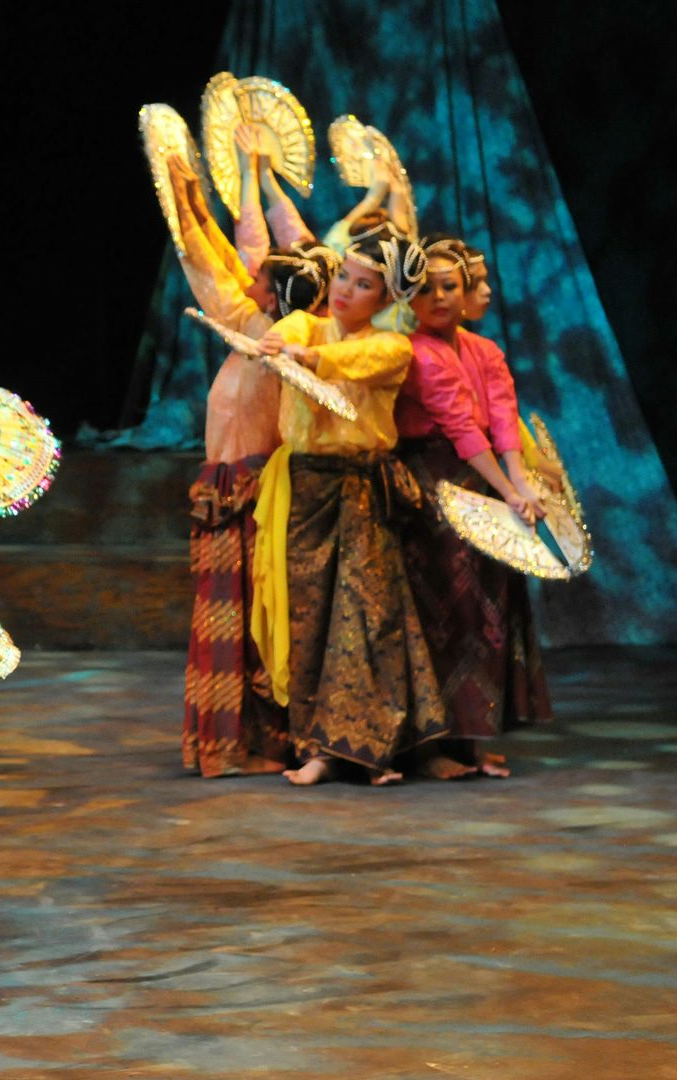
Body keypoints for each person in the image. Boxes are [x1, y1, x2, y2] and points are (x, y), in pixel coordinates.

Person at [249, 221, 447, 786]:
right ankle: (316, 747)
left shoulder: (389, 347)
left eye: (364, 286)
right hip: (305, 490)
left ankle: (366, 747)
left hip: (360, 490)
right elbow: (288, 338)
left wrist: (301, 357)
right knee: (308, 620)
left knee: (364, 616)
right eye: (344, 277)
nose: (345, 291)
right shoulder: (303, 324)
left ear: (386, 300)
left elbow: (344, 365)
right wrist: (276, 347)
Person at [166, 150, 334, 777]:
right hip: (238, 482)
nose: (248, 279)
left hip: (254, 489)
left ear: (277, 294)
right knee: (239, 608)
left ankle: (251, 740)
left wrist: (188, 206)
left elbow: (212, 267)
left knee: (252, 611)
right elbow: (255, 248)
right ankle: (237, 740)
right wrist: (228, 191)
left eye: (259, 278)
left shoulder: (278, 334)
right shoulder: (269, 319)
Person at [394, 237, 552, 776]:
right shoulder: (414, 352)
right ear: (408, 299)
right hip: (432, 486)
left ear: (465, 293)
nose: (438, 297)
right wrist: (508, 491)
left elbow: (502, 421)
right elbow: (459, 426)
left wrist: (519, 484)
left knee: (487, 608)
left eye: (449, 287)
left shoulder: (484, 351)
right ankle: (433, 745)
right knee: (445, 609)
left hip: (480, 480)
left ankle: (474, 737)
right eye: (425, 289)